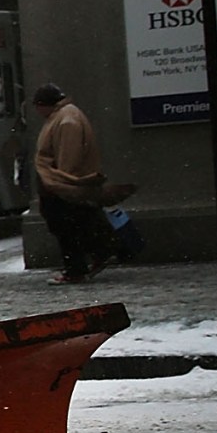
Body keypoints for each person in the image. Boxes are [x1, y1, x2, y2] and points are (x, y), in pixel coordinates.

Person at [31, 83, 130, 284]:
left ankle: (79, 267)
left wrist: (62, 181)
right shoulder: (65, 116)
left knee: (67, 228)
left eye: (37, 106)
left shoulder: (66, 121)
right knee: (79, 223)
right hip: (62, 184)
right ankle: (100, 253)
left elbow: (68, 158)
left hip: (62, 186)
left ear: (44, 104)